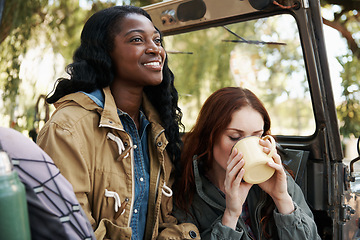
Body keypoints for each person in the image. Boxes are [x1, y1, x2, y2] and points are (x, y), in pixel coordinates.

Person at [37, 6, 199, 240]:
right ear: (104, 52)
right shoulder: (67, 128)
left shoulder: (160, 131)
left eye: (157, 39)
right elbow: (69, 229)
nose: (156, 49)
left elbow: (169, 220)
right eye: (137, 40)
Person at [173, 87, 321, 240]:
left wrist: (281, 198)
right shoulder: (186, 192)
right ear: (209, 138)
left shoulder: (278, 180)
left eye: (256, 136)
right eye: (235, 137)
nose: (247, 147)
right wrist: (230, 215)